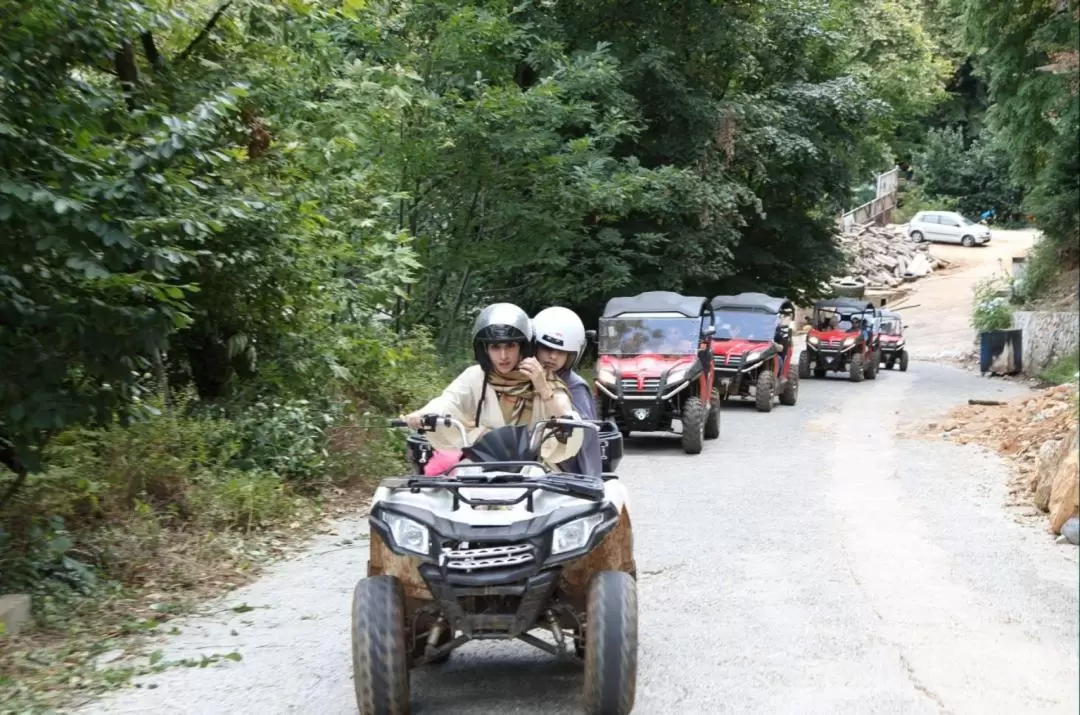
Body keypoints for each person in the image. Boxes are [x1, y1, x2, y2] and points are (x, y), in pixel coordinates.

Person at [401, 302, 583, 470]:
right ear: (485, 349)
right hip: (481, 463)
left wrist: (542, 387)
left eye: (510, 345)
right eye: (495, 347)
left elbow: (565, 412)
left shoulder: (541, 376)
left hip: (533, 467)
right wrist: (422, 414)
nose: (503, 355)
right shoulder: (476, 376)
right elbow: (450, 400)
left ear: (522, 346)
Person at [532, 306, 603, 476]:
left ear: (572, 356)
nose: (553, 357)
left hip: (566, 472)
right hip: (528, 464)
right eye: (547, 349)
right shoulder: (522, 379)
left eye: (562, 352)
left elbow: (584, 435)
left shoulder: (575, 387)